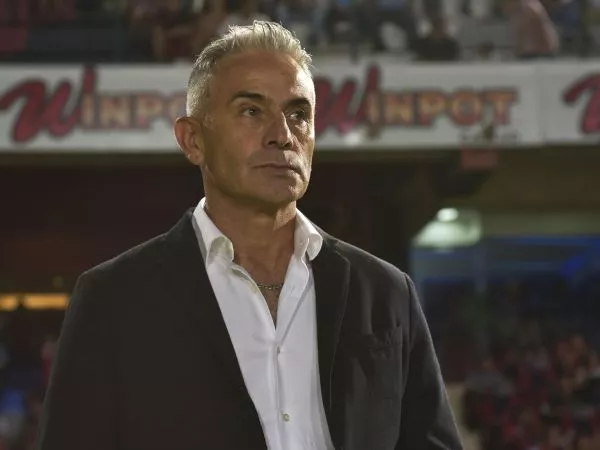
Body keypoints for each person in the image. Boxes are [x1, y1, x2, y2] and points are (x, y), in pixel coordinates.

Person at [36, 21, 464, 450]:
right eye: (251, 111)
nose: (282, 135)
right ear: (193, 140)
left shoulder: (386, 291)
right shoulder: (113, 299)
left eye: (298, 115)